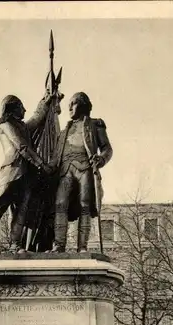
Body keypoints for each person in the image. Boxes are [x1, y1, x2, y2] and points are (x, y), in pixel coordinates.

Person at [0, 92, 51, 253]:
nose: (25, 110)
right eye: (22, 107)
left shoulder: (21, 126)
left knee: (20, 212)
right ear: (13, 109)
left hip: (26, 175)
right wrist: (41, 164)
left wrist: (45, 101)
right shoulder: (5, 125)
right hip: (12, 172)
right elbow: (21, 146)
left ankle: (14, 245)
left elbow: (36, 120)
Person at [48, 92, 113, 252]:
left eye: (73, 103)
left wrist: (101, 159)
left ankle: (82, 247)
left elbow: (107, 148)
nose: (69, 107)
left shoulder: (95, 124)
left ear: (83, 105)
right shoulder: (65, 131)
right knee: (59, 204)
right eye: (69, 103)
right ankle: (59, 246)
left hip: (85, 168)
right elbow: (56, 156)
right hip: (65, 170)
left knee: (85, 205)